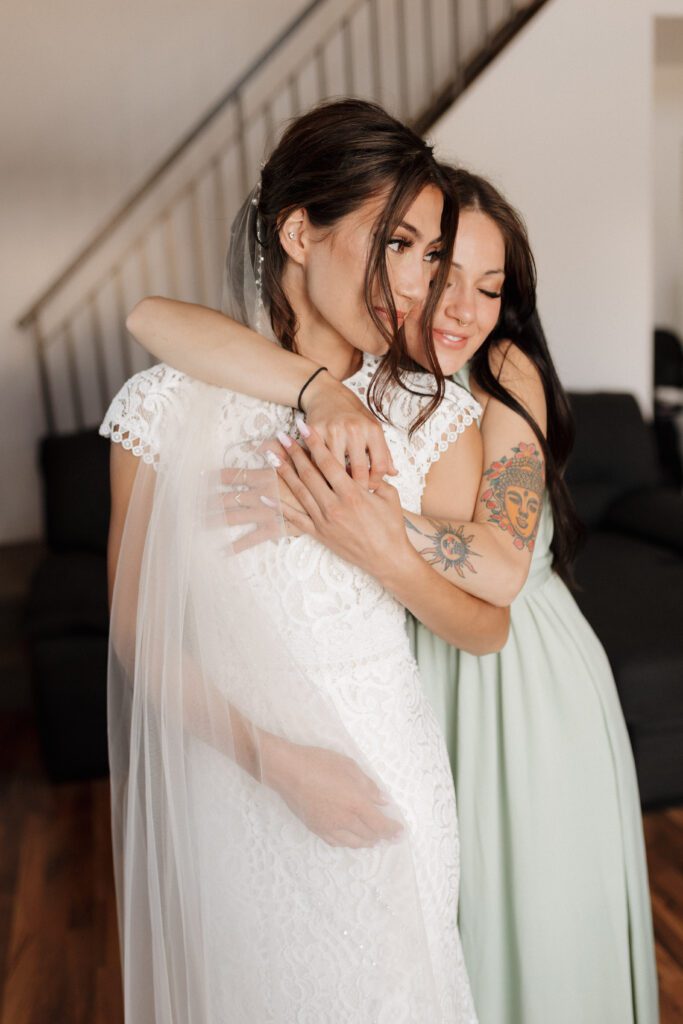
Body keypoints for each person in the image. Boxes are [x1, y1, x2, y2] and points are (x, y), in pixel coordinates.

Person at [128, 165, 658, 1024]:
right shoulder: (365, 378)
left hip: (523, 679)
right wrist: (321, 394)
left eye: (488, 288)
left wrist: (342, 512)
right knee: (442, 945)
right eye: (431, 273)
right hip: (415, 672)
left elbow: (499, 568)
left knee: (539, 934)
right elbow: (150, 319)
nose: (456, 306)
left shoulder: (497, 369)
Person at [105, 100, 506, 1023]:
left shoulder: (432, 415)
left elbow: (484, 625)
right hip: (232, 771)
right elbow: (136, 627)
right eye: (391, 242)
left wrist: (376, 542)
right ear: (298, 231)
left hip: (384, 771)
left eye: (428, 254)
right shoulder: (162, 409)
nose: (413, 283)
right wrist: (275, 763)